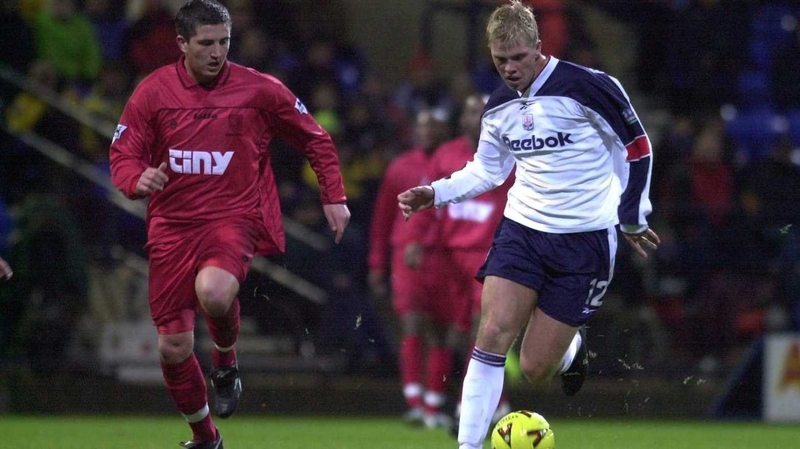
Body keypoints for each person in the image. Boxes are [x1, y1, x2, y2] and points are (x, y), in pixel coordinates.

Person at [397, 2, 659, 448]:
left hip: (586, 240)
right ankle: (468, 444)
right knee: (492, 332)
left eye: (519, 57)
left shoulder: (589, 86)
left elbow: (638, 148)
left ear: (538, 47)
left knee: (535, 367)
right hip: (523, 231)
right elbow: (488, 170)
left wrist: (632, 216)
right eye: (501, 60)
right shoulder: (498, 107)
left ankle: (570, 348)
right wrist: (435, 193)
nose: (511, 68)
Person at [109, 2, 350, 448]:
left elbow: (315, 137)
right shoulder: (153, 92)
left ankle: (225, 360)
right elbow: (123, 153)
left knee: (215, 293)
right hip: (171, 227)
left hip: (232, 219)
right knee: (173, 348)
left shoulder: (259, 89)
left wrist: (333, 195)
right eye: (206, 43)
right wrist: (135, 179)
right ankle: (206, 438)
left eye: (224, 42)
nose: (217, 52)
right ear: (181, 44)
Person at [406, 94, 514, 430]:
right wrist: (417, 241)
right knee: (450, 332)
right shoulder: (446, 154)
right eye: (470, 112)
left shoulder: (510, 153)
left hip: (490, 254)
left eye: (482, 112)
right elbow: (429, 199)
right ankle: (454, 402)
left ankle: (476, 406)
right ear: (462, 118)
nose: (476, 117)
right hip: (449, 256)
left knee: (485, 326)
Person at [368, 108, 454, 427]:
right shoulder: (400, 167)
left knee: (442, 329)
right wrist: (376, 264)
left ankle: (433, 404)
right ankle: (414, 401)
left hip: (446, 255)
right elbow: (381, 220)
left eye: (434, 125)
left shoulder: (458, 163)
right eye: (421, 125)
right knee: (412, 322)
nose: (426, 131)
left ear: (446, 129)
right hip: (406, 255)